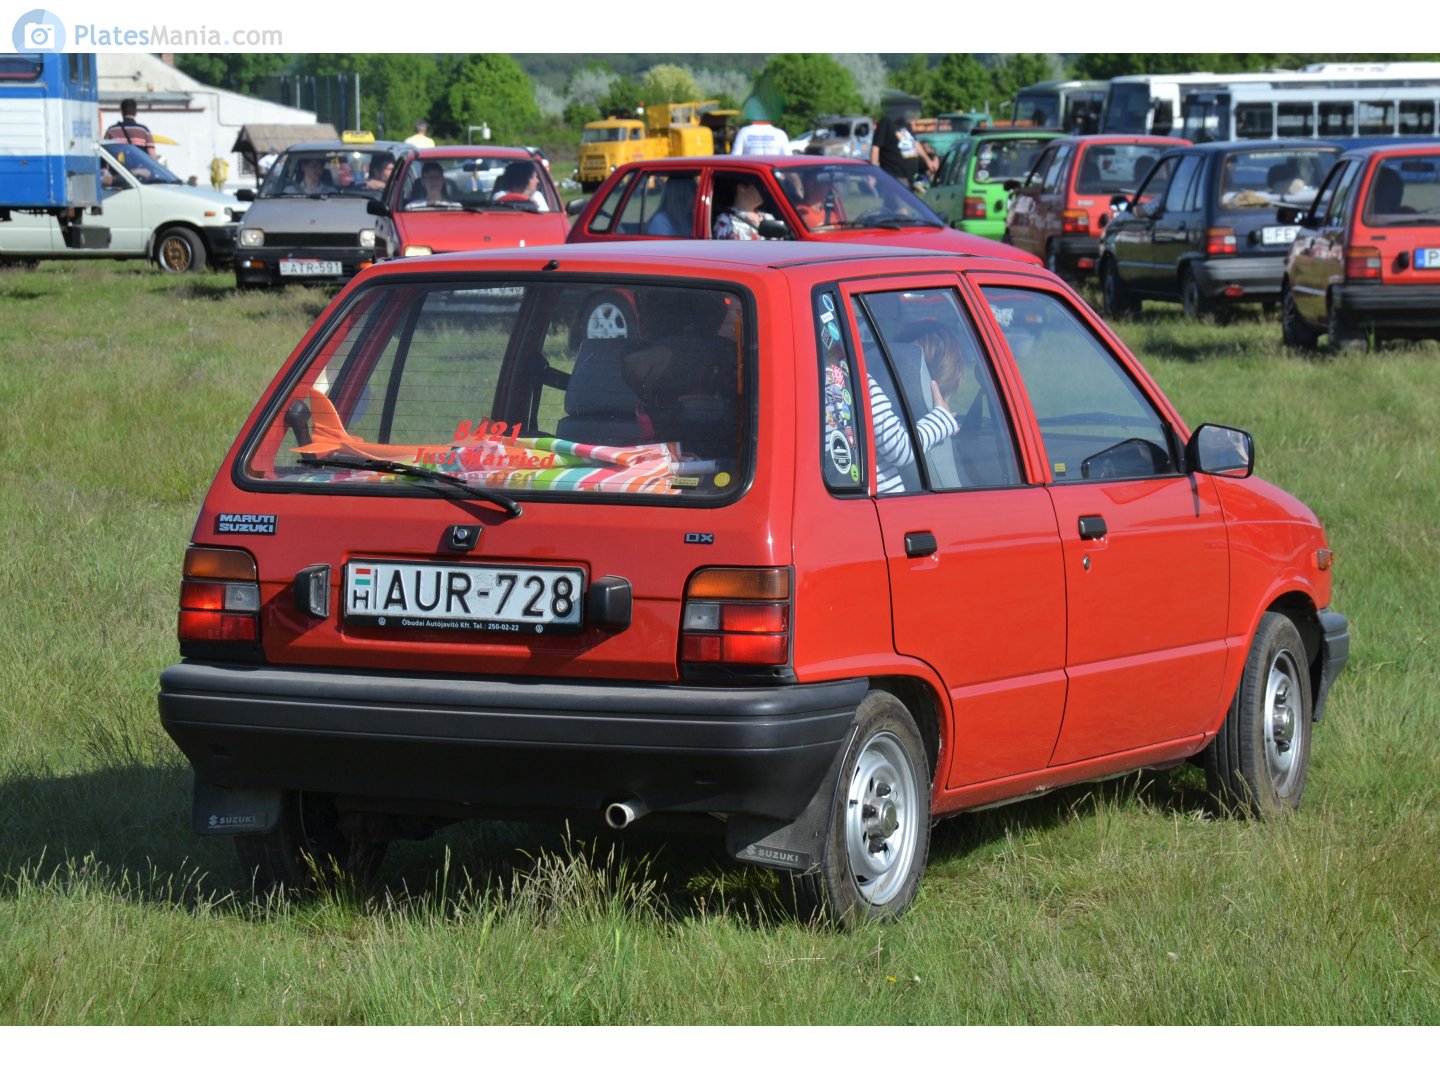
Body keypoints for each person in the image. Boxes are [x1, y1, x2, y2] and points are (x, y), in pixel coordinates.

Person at [867, 320, 966, 494]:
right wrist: (942, 419)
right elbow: (899, 448)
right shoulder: (862, 387)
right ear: (957, 381)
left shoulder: (854, 390)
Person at [870, 114, 937, 189]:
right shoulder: (886, 122)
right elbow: (875, 148)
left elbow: (915, 143)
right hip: (894, 176)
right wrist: (873, 174)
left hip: (910, 177)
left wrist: (928, 161)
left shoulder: (906, 123)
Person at [713, 178, 778, 240]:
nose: (764, 190)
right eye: (759, 186)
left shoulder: (768, 217)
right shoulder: (726, 221)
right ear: (742, 188)